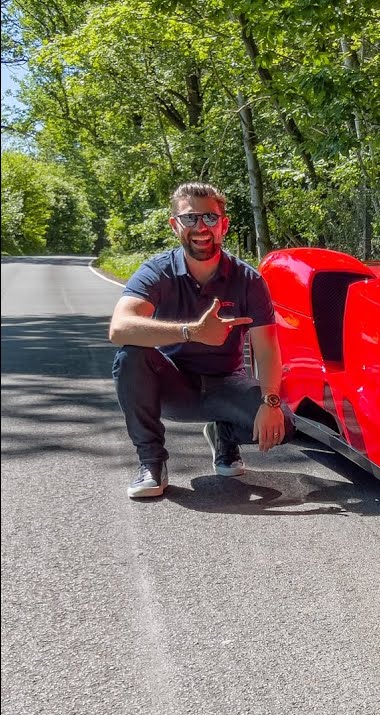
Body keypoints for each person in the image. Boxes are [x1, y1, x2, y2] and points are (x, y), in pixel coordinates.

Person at [108, 182, 291, 499]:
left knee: (283, 425)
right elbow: (119, 327)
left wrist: (270, 401)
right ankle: (151, 464)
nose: (201, 227)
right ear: (174, 225)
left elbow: (267, 350)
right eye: (190, 218)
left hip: (227, 386)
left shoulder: (248, 280)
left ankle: (225, 435)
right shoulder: (157, 272)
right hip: (174, 387)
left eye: (209, 217)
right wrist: (191, 331)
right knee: (130, 355)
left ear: (224, 224)